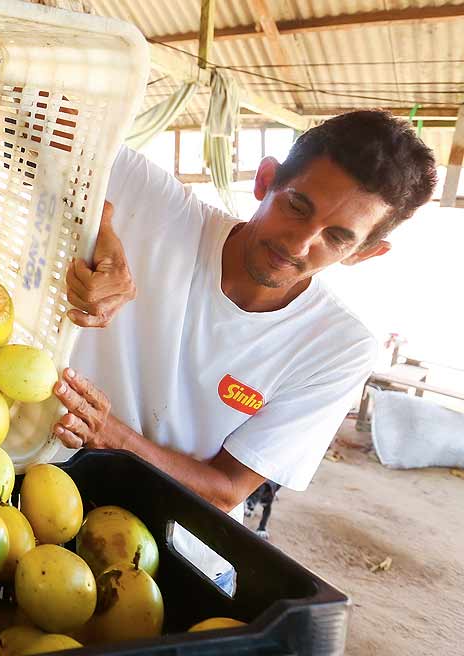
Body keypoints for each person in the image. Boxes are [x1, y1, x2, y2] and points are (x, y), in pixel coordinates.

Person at [53, 110, 436, 586]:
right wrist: (100, 228)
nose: (299, 244)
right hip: (51, 511)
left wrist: (111, 434)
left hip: (184, 560)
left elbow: (225, 489)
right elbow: (38, 112)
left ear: (363, 254)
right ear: (266, 179)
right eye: (297, 205)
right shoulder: (160, 210)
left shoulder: (339, 347)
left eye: (336, 237)